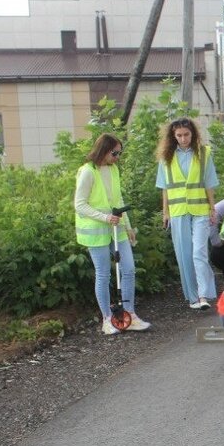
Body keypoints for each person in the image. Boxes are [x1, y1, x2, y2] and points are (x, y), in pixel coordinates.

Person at [74, 133, 151, 335]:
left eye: (120, 153)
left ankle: (129, 315)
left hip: (117, 229)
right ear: (104, 150)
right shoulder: (87, 172)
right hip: (96, 231)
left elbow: (118, 199)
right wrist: (104, 217)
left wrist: (127, 226)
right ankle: (107, 319)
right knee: (103, 273)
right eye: (115, 153)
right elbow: (79, 204)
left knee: (129, 269)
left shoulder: (114, 169)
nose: (118, 157)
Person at [157, 117, 219, 311]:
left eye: (186, 135)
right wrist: (165, 212)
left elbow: (209, 183)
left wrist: (212, 208)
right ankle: (192, 297)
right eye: (179, 136)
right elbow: (165, 187)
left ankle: (204, 295)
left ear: (193, 134)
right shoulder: (166, 156)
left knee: (198, 252)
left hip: (200, 209)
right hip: (177, 211)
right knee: (183, 255)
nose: (183, 139)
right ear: (173, 136)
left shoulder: (204, 153)